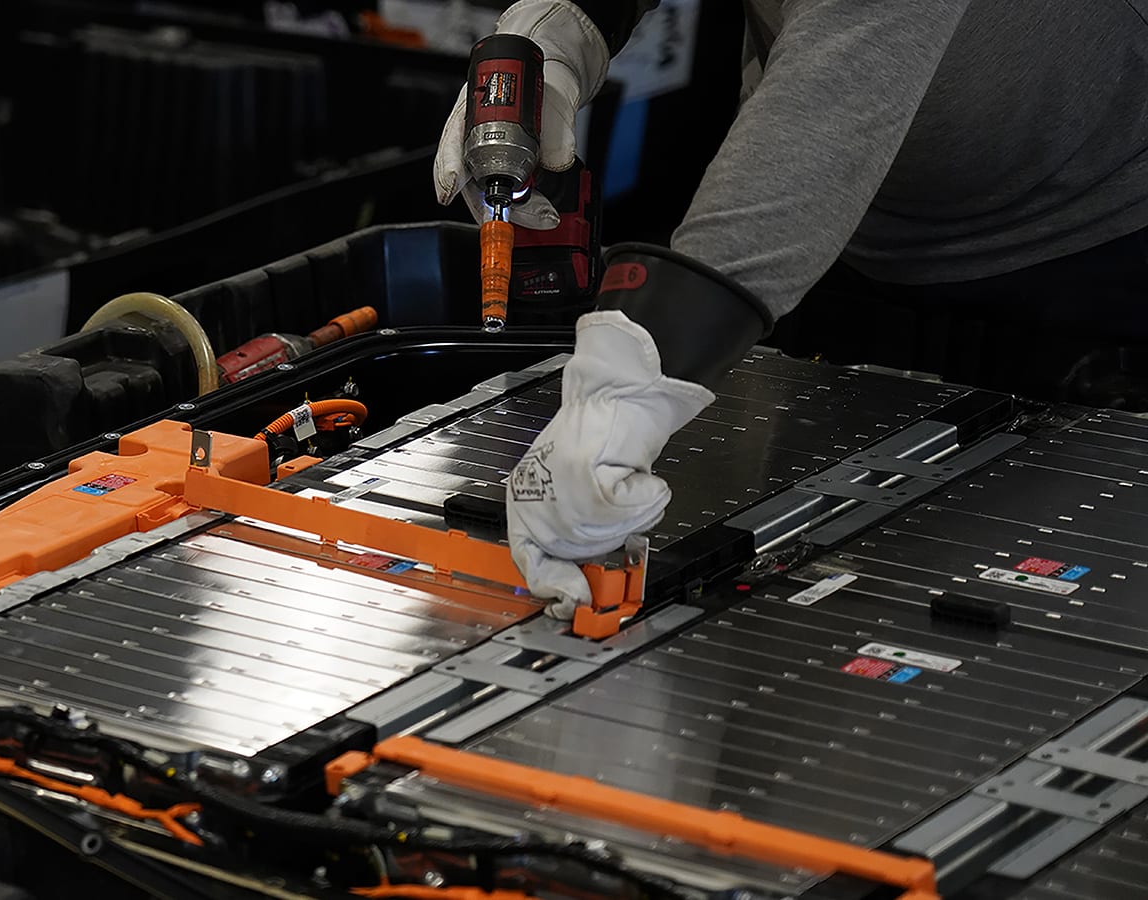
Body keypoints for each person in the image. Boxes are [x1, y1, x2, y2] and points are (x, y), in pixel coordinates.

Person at [432, 1, 1148, 613]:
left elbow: (838, 92)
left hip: (1082, 243)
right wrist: (567, 24)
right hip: (834, 232)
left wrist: (626, 389)